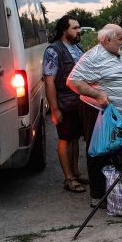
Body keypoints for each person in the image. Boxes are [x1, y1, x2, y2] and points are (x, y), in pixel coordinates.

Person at [67, 24, 122, 207]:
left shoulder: (115, 53)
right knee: (99, 151)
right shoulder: (94, 56)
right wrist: (98, 95)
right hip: (98, 111)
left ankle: (110, 192)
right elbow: (73, 81)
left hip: (116, 114)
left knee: (113, 152)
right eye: (120, 38)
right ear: (107, 40)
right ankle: (98, 196)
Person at [42, 15, 87, 193]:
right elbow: (49, 81)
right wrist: (54, 109)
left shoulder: (77, 47)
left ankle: (76, 172)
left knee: (75, 138)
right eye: (75, 28)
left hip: (79, 102)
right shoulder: (53, 51)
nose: (79, 30)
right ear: (64, 30)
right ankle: (68, 178)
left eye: (78, 27)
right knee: (65, 139)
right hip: (65, 102)